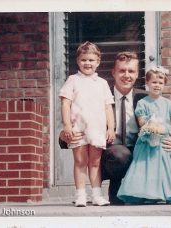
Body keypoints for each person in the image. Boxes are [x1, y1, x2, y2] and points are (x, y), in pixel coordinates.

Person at [59, 51, 171, 205]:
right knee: (119, 154)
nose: (127, 75)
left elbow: (163, 122)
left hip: (139, 154)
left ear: (137, 75)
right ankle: (114, 188)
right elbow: (78, 116)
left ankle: (150, 189)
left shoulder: (145, 98)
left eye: (131, 71)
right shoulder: (99, 93)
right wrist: (64, 135)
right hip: (107, 155)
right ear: (113, 73)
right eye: (122, 70)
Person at [117, 67, 171, 204]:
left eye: (160, 83)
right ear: (147, 83)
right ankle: (149, 195)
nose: (157, 85)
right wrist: (151, 127)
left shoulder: (168, 104)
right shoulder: (143, 103)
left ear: (164, 85)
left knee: (168, 167)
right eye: (154, 82)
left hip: (166, 140)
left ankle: (170, 194)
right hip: (149, 139)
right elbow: (142, 121)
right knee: (149, 166)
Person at [59, 41, 115, 207]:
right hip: (79, 128)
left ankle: (97, 195)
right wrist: (67, 125)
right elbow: (65, 104)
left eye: (91, 60)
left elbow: (108, 107)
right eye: (84, 60)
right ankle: (81, 195)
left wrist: (110, 128)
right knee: (80, 161)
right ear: (78, 61)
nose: (87, 63)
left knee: (95, 162)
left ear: (98, 62)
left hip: (97, 128)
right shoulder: (72, 80)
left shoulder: (103, 83)